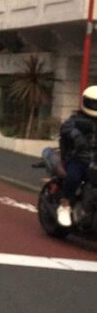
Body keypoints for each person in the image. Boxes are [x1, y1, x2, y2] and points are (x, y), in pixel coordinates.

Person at [56, 84, 97, 227]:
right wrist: (76, 135)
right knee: (73, 177)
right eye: (93, 103)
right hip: (78, 158)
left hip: (95, 160)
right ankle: (65, 205)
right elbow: (65, 127)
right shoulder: (76, 119)